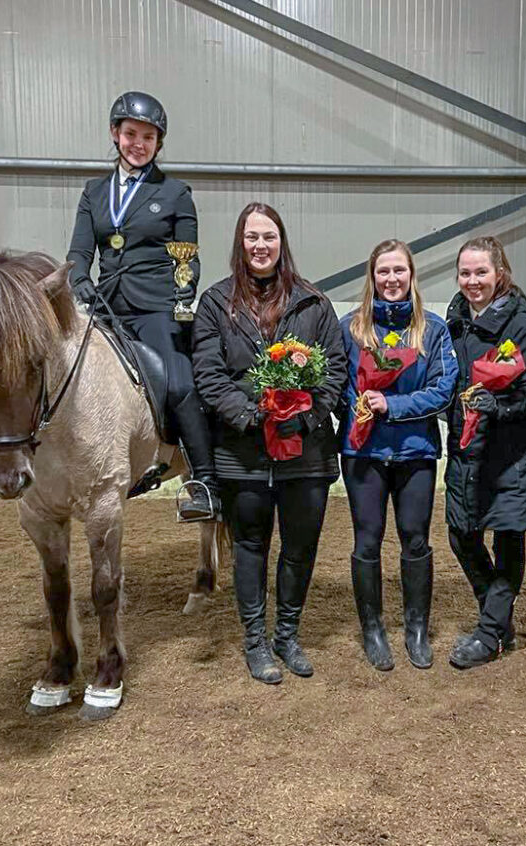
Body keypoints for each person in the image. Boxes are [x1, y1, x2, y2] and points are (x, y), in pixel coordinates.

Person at [192, 202, 348, 685]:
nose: (261, 246)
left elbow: (335, 371)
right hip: (243, 453)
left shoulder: (314, 303)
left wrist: (301, 419)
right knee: (251, 548)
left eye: (269, 237)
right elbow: (208, 374)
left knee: (300, 548)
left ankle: (287, 634)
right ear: (241, 243)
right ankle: (256, 641)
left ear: (282, 243)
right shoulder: (216, 303)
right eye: (252, 237)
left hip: (307, 452)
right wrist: (248, 414)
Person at [67, 91, 217, 521]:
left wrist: (182, 291)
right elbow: (79, 252)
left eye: (148, 137)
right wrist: (80, 282)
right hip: (104, 305)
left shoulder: (174, 193)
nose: (138, 143)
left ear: (158, 143)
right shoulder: (93, 193)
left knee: (180, 382)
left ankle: (203, 482)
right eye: (131, 133)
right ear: (116, 134)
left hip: (155, 305)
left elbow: (187, 254)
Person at [340, 240, 457, 671]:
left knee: (415, 538)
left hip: (416, 453)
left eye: (399, 271)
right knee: (367, 541)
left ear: (412, 276)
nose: (391, 279)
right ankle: (372, 629)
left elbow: (444, 389)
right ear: (372, 278)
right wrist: (362, 408)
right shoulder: (350, 328)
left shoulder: (434, 330)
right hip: (363, 453)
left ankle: (417, 628)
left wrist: (394, 406)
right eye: (383, 272)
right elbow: (340, 383)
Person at [444, 236, 526, 669]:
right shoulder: (451, 324)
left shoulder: (524, 329)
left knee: (508, 539)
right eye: (465, 273)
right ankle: (498, 614)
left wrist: (500, 407)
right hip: (465, 450)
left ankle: (489, 635)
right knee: (460, 535)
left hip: (511, 454)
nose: (473, 281)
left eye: (481, 272)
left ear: (499, 273)